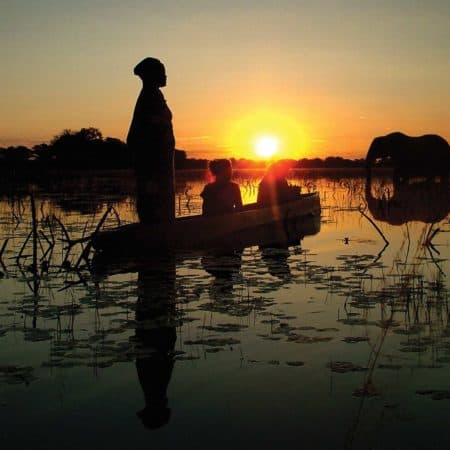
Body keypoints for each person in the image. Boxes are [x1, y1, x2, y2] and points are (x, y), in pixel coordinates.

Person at [127, 57, 175, 223]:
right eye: (162, 72)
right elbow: (143, 132)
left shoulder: (153, 95)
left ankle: (159, 231)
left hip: (160, 162)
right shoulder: (150, 96)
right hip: (155, 163)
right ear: (152, 75)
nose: (166, 76)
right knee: (156, 202)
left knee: (159, 202)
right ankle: (157, 234)